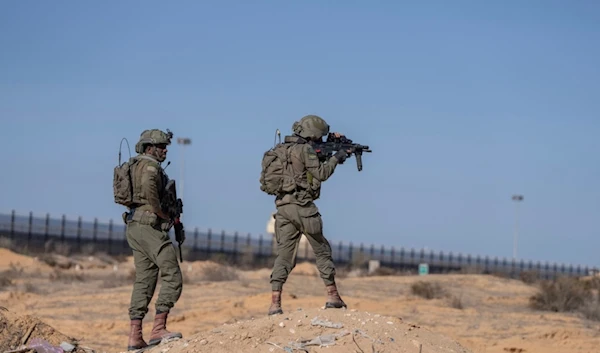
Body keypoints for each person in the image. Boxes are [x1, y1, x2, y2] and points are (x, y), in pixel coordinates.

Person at [267, 114, 352, 315]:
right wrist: (336, 158)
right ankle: (333, 296)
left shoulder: (279, 150)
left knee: (284, 257)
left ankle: (275, 303)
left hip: (283, 209)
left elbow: (301, 170)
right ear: (313, 134)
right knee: (322, 250)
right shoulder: (306, 150)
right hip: (304, 208)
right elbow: (321, 173)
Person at [124, 129, 183, 350]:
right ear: (150, 148)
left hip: (134, 226)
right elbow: (150, 190)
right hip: (150, 227)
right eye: (161, 147)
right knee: (172, 274)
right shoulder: (150, 167)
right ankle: (158, 328)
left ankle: (135, 336)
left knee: (145, 279)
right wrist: (161, 213)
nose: (165, 150)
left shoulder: (133, 166)